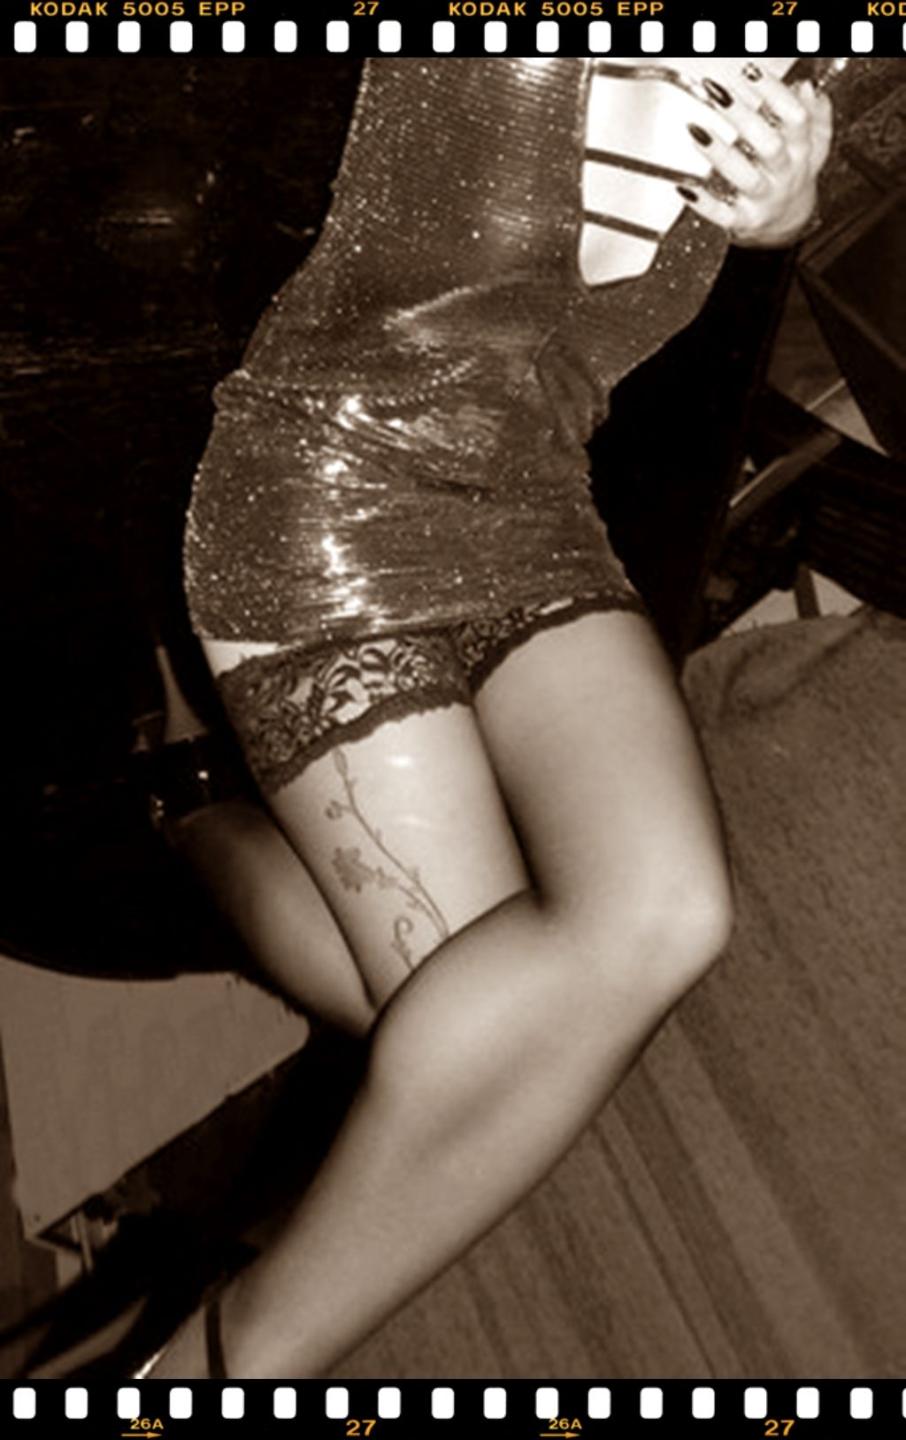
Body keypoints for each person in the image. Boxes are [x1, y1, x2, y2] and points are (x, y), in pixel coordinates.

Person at [131, 58, 834, 1379]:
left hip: (535, 515)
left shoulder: (797, 67)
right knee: (547, 984)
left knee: (541, 988)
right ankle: (227, 1367)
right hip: (324, 493)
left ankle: (183, 804)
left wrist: (784, 211)